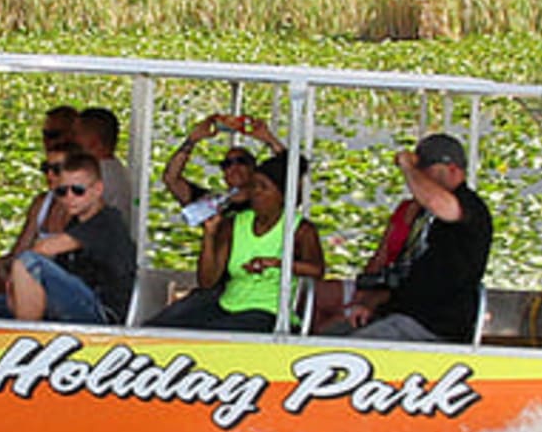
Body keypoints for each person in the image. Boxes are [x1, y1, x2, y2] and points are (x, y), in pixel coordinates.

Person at [335, 133, 493, 343]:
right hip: (400, 312)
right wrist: (367, 303)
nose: (420, 179)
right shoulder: (423, 215)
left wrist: (409, 168)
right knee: (327, 335)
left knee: (350, 347)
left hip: (434, 322)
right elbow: (399, 269)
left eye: (426, 172)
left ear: (452, 169)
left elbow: (438, 202)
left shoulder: (469, 207)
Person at [148, 150, 325, 333]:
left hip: (268, 311)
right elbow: (207, 281)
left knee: (217, 334)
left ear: (282, 195)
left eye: (263, 187)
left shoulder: (300, 229)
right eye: (254, 186)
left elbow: (317, 270)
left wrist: (276, 263)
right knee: (158, 328)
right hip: (227, 304)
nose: (256, 192)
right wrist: (210, 235)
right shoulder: (234, 223)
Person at [0, 152, 138, 323]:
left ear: (98, 189)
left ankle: (27, 335)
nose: (69, 197)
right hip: (69, 301)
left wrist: (16, 277)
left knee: (29, 262)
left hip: (102, 312)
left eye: (78, 190)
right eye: (62, 191)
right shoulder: (75, 222)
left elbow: (42, 250)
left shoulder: (107, 221)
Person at [159, 112, 282, 228]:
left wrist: (269, 139)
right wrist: (192, 139)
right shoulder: (211, 203)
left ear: (253, 167)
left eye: (241, 161)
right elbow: (171, 178)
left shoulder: (267, 200)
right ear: (223, 173)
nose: (234, 167)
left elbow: (293, 170)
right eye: (227, 164)